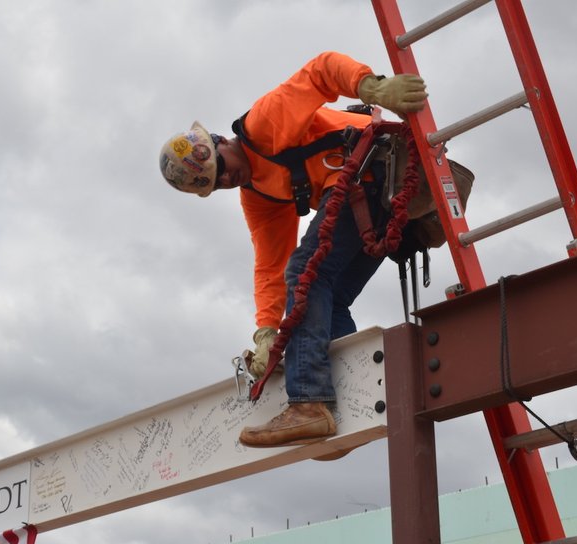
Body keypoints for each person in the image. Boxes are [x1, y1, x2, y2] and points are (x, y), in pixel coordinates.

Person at [158, 52, 428, 448]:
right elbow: (269, 266)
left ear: (221, 142)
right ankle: (348, 404)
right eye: (216, 184)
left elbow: (321, 71)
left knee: (306, 275)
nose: (227, 179)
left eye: (221, 167)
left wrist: (371, 86)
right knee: (328, 296)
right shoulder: (259, 196)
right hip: (373, 194)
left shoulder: (263, 126)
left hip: (380, 164)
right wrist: (266, 331)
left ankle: (309, 402)